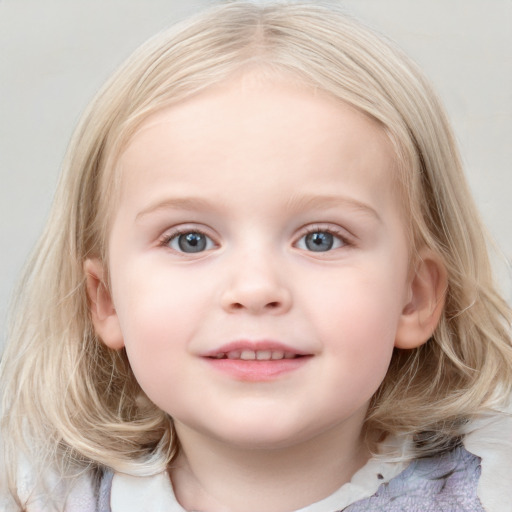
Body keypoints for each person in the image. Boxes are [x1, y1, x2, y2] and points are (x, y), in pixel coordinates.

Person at [1, 1, 511, 511]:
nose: (255, 289)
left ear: (414, 298)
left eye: (320, 239)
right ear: (106, 301)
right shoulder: (40, 498)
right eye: (190, 240)